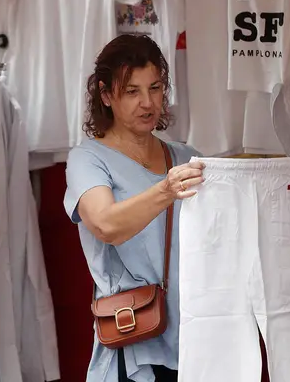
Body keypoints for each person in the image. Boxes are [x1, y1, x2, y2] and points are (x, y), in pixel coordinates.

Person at [64, 34, 203, 382]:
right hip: (134, 334)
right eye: (132, 91)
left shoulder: (186, 157)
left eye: (155, 88)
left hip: (193, 338)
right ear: (106, 95)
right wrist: (166, 190)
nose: (147, 103)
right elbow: (106, 225)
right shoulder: (87, 159)